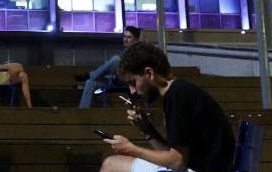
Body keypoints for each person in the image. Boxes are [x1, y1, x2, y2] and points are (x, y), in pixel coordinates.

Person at [100, 42, 236, 172]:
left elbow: (177, 162)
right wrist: (146, 129)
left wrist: (131, 149)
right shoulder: (180, 91)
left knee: (111, 165)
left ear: (149, 74)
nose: (133, 91)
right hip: (205, 167)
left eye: (133, 82)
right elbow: (171, 155)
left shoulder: (177, 96)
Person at [77, 26, 142, 109]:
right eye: (124, 37)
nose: (125, 39)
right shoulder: (125, 52)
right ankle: (82, 111)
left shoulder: (139, 53)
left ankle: (90, 75)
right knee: (90, 82)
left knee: (116, 59)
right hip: (115, 80)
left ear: (136, 40)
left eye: (129, 37)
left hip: (129, 82)